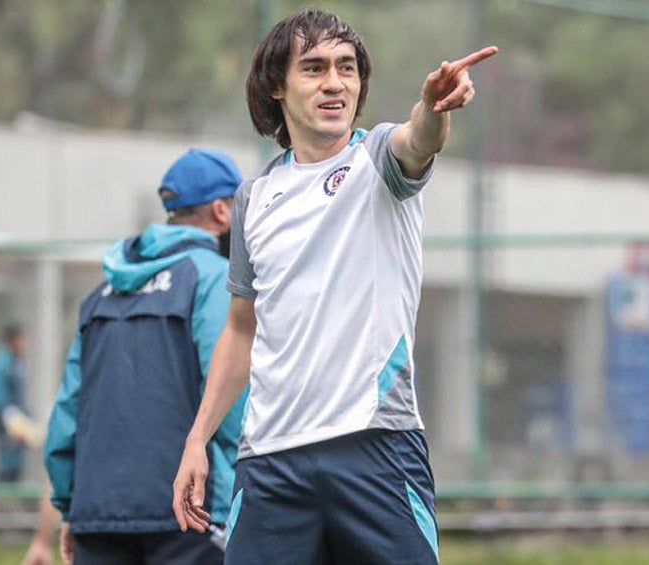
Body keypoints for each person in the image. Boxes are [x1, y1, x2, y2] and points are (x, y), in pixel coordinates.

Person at [171, 9, 498, 564]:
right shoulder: (254, 197)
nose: (335, 83)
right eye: (315, 68)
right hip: (270, 463)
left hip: (376, 450)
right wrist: (197, 438)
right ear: (277, 87)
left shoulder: (378, 160)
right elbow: (240, 330)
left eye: (347, 68)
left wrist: (434, 108)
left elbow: (418, 141)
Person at [44, 148, 248, 565]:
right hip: (192, 513)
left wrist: (70, 505)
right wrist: (235, 503)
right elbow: (230, 394)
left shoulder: (102, 293)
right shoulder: (213, 280)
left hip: (97, 516)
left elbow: (67, 412)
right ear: (223, 211)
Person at [0, 325, 32, 482]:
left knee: (18, 457)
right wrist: (7, 414)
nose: (25, 343)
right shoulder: (1, 361)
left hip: (18, 417)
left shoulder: (19, 361)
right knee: (6, 457)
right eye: (21, 339)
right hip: (6, 418)